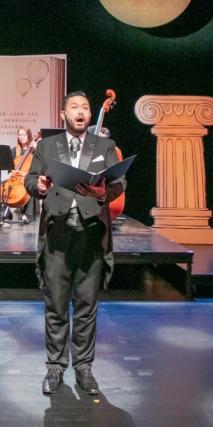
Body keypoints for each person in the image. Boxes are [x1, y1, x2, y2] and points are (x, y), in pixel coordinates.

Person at [25, 91, 126, 396]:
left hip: (91, 235)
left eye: (85, 107)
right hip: (57, 234)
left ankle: (84, 368)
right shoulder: (47, 146)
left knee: (86, 306)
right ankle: (55, 367)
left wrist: (103, 193)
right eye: (74, 107)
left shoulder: (105, 146)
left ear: (89, 114)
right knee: (55, 305)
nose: (80, 112)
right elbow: (29, 181)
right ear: (63, 114)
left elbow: (119, 182)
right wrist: (39, 186)